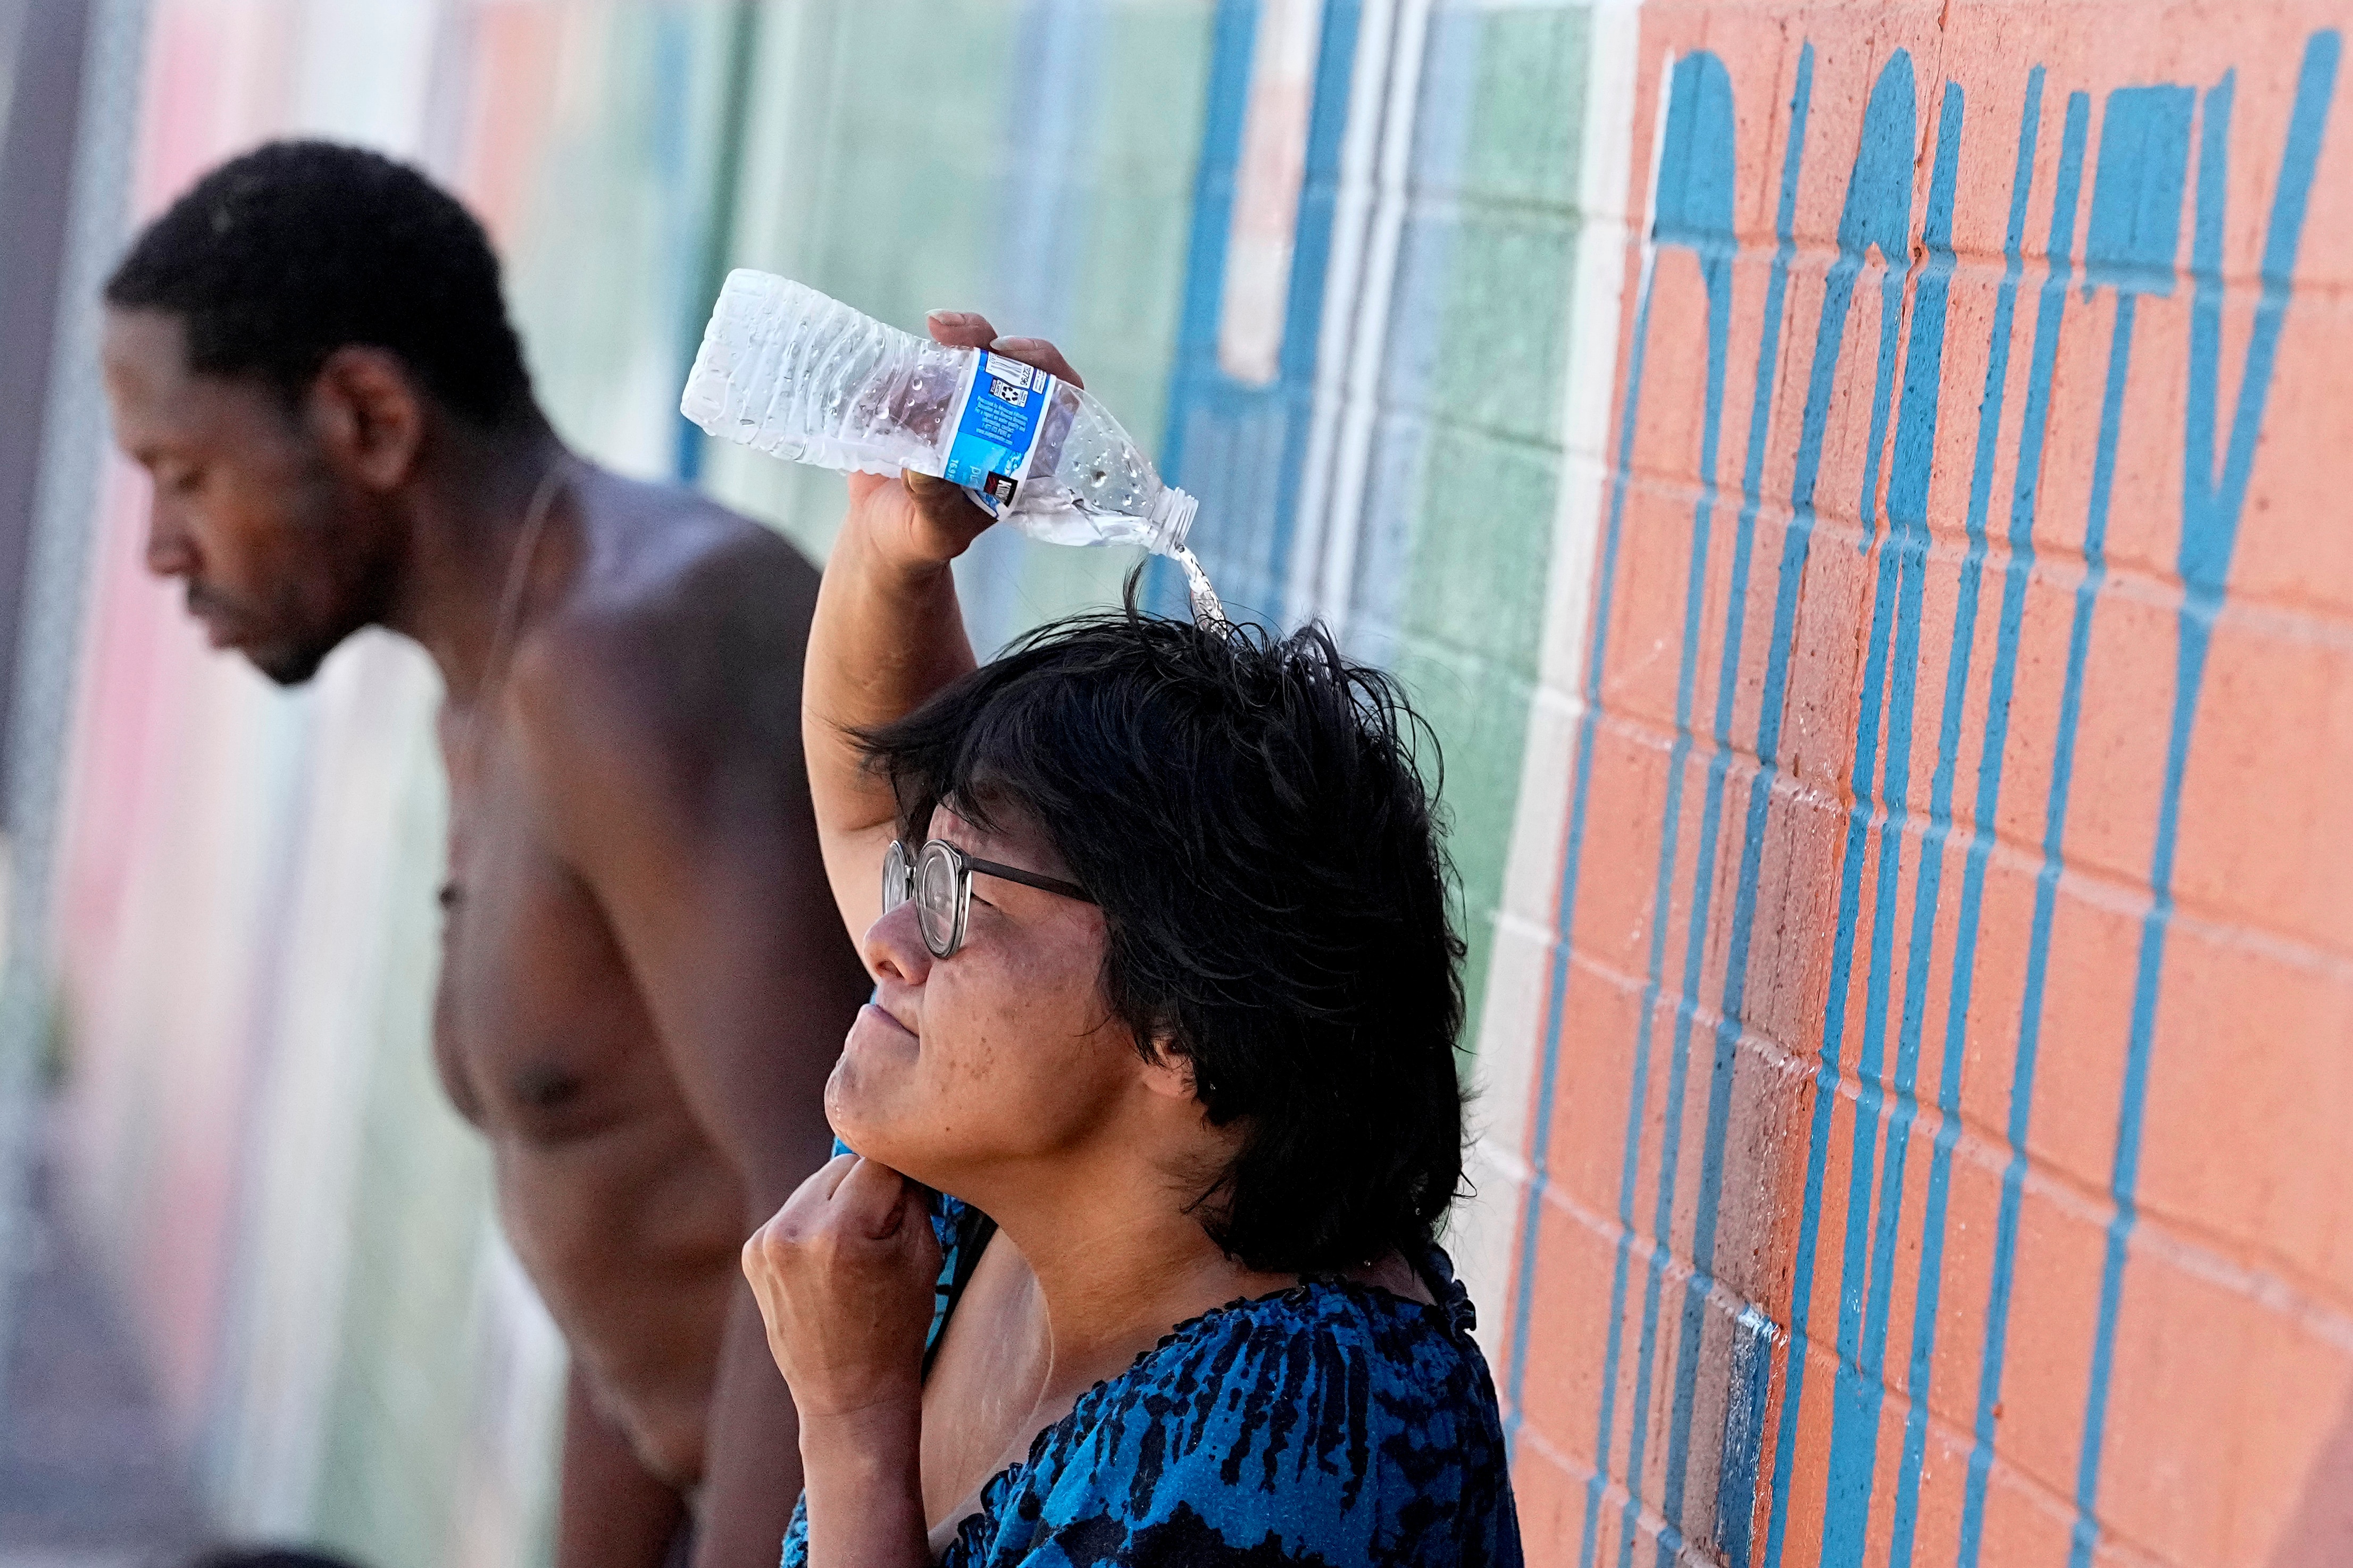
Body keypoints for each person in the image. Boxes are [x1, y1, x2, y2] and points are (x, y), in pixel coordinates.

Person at [99, 142, 872, 1568]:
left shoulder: (621, 659)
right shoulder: (502, 677)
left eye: (184, 471)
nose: (160, 545)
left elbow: (836, 1194)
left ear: (367, 417)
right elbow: (635, 1224)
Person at [740, 314, 1523, 1565]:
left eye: (949, 890)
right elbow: (856, 796)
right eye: (916, 871)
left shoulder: (1294, 1449)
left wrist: (852, 1429)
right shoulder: (1007, 1180)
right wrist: (898, 552)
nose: (889, 936)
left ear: (1178, 1028)